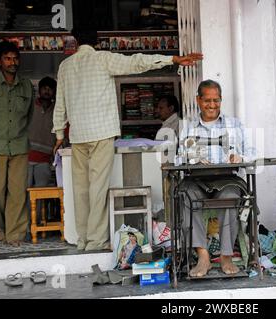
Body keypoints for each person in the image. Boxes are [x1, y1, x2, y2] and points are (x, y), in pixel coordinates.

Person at [52, 27, 203, 251]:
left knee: (80, 189)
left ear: (75, 40)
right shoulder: (103, 59)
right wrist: (171, 58)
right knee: (98, 189)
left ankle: (82, 240)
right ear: (97, 41)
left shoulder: (65, 66)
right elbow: (137, 62)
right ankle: (95, 242)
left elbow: (60, 104)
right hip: (101, 133)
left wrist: (58, 134)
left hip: (78, 136)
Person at [178, 80, 256, 277]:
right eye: (207, 101)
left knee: (229, 197)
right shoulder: (188, 127)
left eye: (216, 100)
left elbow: (252, 153)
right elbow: (177, 158)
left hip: (226, 178)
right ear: (198, 100)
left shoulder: (234, 125)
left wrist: (240, 158)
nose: (212, 105)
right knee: (187, 195)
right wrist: (191, 157)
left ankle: (226, 255)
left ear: (221, 100)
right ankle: (203, 255)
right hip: (196, 179)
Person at [0, 41, 34, 247]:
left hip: (19, 145)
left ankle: (14, 234)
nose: (12, 62)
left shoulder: (26, 85)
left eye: (15, 58)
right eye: (7, 58)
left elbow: (29, 115)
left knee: (17, 191)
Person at [28, 76, 57, 189]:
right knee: (24, 191)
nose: (47, 91)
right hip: (26, 156)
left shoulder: (57, 110)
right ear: (39, 90)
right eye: (44, 88)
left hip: (45, 159)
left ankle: (39, 208)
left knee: (41, 193)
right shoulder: (30, 106)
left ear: (54, 92)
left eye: (50, 89)